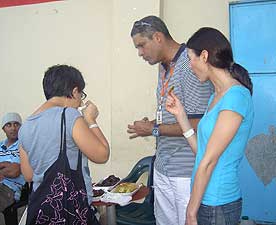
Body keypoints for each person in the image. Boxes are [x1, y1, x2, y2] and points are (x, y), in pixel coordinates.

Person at [127, 16, 213, 225]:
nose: (139, 53)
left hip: (185, 170)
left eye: (141, 46)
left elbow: (198, 124)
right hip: (163, 165)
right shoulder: (163, 67)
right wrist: (153, 125)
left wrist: (154, 129)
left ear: (157, 37)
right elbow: (172, 114)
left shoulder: (190, 65)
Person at [166, 27, 254, 225]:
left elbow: (209, 161)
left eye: (191, 58)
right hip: (205, 200)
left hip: (218, 203)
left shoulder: (236, 97)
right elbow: (202, 153)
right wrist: (181, 115)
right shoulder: (216, 97)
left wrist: (190, 212)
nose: (190, 65)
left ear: (204, 56)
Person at [19, 64, 109, 224]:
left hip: (42, 210)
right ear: (74, 92)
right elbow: (102, 155)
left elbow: (28, 174)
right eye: (81, 94)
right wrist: (90, 120)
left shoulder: (25, 126)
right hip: (70, 209)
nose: (81, 100)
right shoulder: (68, 115)